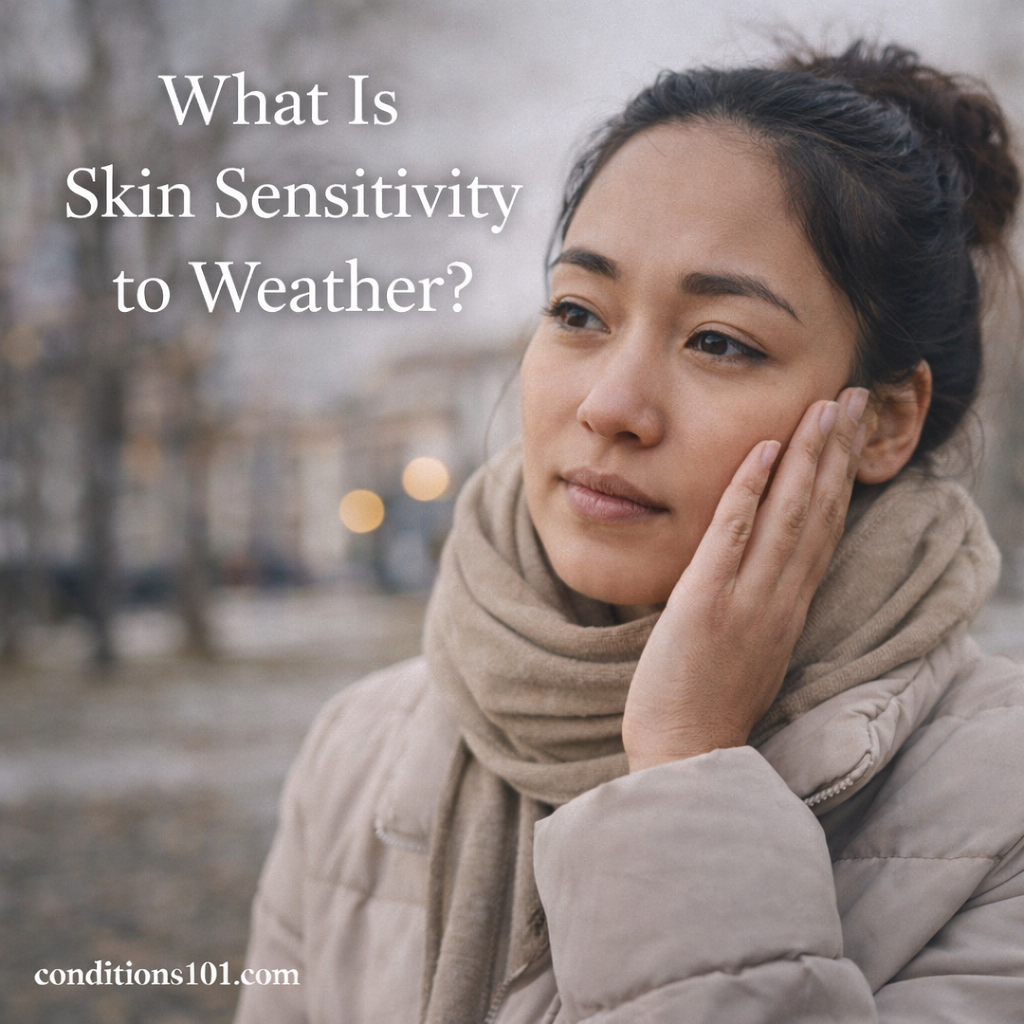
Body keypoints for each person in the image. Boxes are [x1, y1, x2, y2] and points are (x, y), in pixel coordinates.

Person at [235, 41, 1024, 1024]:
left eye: (719, 341)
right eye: (578, 311)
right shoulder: (359, 749)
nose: (612, 404)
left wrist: (686, 766)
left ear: (884, 419)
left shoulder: (1002, 804)